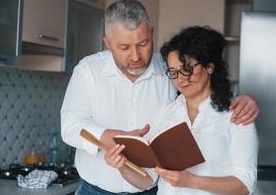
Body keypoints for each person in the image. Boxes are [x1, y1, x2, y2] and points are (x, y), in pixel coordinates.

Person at [61, 0, 259, 195]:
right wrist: (115, 144)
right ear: (108, 44)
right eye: (124, 47)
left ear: (152, 33)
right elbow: (70, 126)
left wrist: (244, 100)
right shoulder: (88, 71)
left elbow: (205, 86)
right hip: (96, 190)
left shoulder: (168, 68)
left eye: (143, 43)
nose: (136, 56)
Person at [105, 26, 258, 195]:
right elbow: (147, 180)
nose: (181, 79)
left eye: (187, 70)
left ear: (209, 67)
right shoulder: (166, 113)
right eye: (174, 72)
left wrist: (191, 181)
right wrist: (122, 166)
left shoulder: (237, 115)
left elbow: (244, 185)